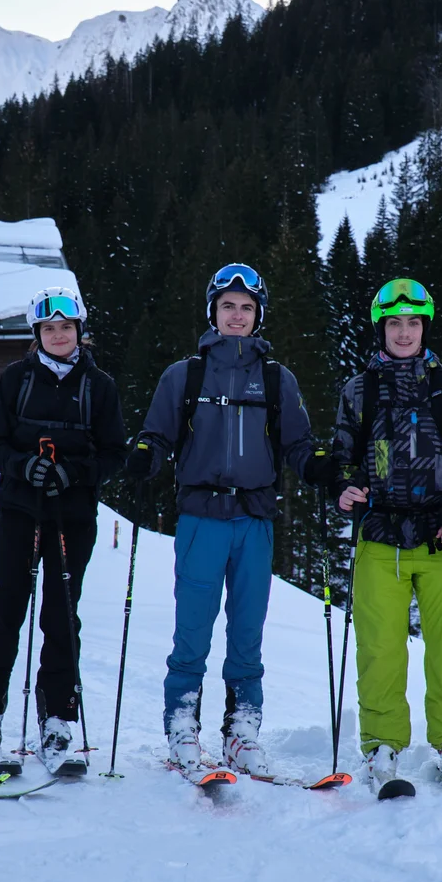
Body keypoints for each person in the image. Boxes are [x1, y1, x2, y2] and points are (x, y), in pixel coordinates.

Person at [123, 263, 337, 776]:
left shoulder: (275, 378)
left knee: (248, 631)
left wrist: (319, 467)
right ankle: (182, 725)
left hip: (255, 520)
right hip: (201, 518)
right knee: (192, 629)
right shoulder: (185, 374)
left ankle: (243, 729)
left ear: (257, 315)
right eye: (227, 307)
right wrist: (144, 455)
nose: (236, 316)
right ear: (213, 312)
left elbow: (297, 445)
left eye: (246, 308)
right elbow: (157, 436)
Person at [0, 287, 127, 776]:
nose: (59, 335)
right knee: (7, 609)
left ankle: (57, 719)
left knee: (61, 616)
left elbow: (114, 452)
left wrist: (73, 472)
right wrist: (22, 465)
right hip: (18, 510)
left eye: (67, 327)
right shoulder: (17, 378)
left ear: (80, 331)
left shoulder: (99, 385)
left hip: (71, 517)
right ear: (37, 334)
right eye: (49, 328)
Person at [332, 278, 442, 787]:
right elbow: (342, 458)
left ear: (425, 327)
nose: (404, 332)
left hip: (441, 539)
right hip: (379, 538)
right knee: (380, 650)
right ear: (382, 327)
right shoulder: (358, 390)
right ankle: (382, 746)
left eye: (413, 322)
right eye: (395, 322)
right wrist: (345, 489)